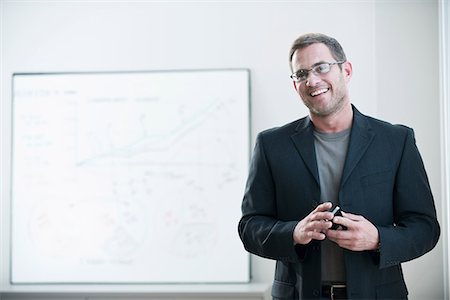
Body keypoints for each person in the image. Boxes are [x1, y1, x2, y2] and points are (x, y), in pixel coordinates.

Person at [238, 33, 440, 300]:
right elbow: (250, 226)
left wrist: (378, 239)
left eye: (321, 67)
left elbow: (425, 227)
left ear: (346, 70)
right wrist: (294, 233)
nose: (312, 80)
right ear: (295, 85)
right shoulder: (271, 144)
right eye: (301, 73)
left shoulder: (396, 141)